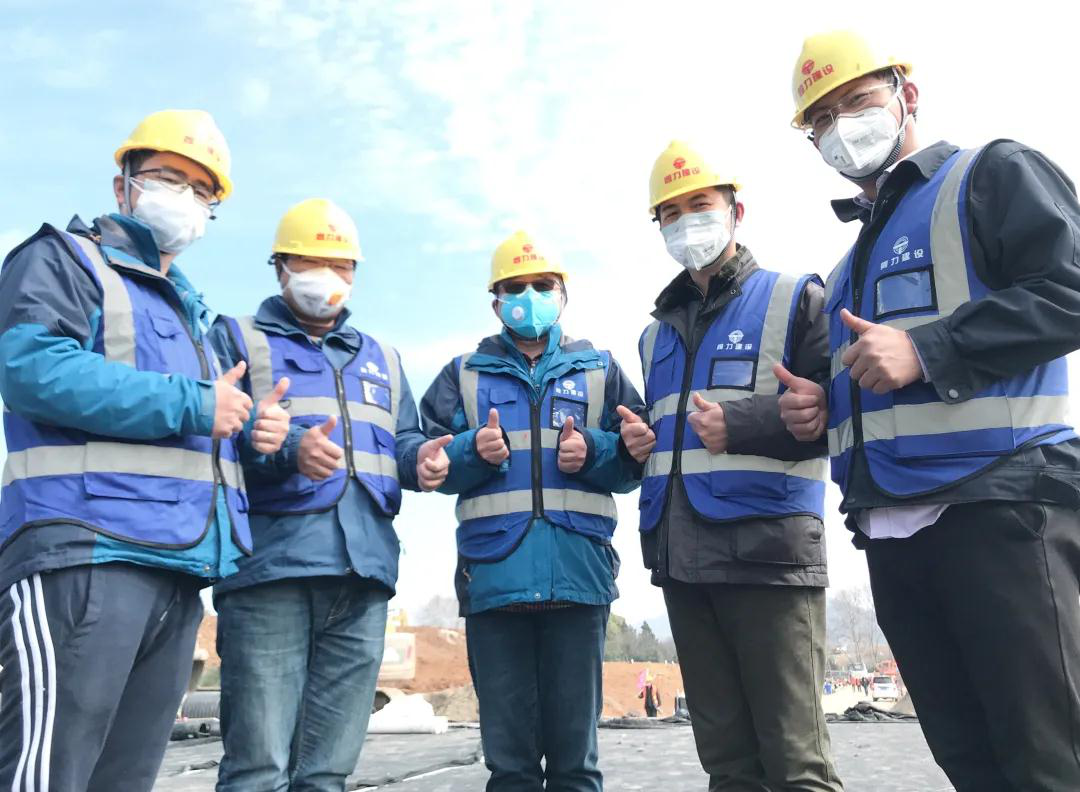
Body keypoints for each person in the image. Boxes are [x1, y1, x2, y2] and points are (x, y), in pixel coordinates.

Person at [783, 30, 1080, 790]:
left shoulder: (992, 174)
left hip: (1002, 512)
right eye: (822, 119)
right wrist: (824, 406)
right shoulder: (844, 271)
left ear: (906, 95)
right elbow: (878, 382)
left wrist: (930, 348)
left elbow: (1070, 289)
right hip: (894, 536)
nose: (842, 126)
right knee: (969, 760)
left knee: (1047, 760)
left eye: (858, 100)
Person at [0, 110, 288, 791]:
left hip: (177, 565)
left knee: (124, 779)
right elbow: (29, 368)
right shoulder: (63, 259)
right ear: (123, 185)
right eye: (166, 177)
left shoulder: (193, 315)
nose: (184, 197)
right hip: (86, 552)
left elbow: (201, 428)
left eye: (201, 189)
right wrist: (195, 404)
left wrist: (257, 435)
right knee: (49, 773)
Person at [209, 198, 446, 791]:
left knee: (328, 771)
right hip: (270, 572)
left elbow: (402, 442)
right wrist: (284, 448)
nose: (328, 277)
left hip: (363, 575)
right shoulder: (237, 338)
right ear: (280, 267)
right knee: (258, 766)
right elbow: (205, 434)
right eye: (312, 263)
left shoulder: (383, 359)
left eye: (341, 266)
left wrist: (422, 460)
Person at [626, 141, 842, 791]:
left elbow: (845, 410)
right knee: (727, 766)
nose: (686, 222)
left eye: (700, 204)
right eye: (670, 213)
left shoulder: (795, 299)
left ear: (735, 211)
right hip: (682, 562)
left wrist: (746, 423)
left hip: (769, 558)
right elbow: (668, 440)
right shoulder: (654, 336)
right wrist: (637, 441)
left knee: (797, 764)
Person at [421, 231, 644, 791]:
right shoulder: (462, 374)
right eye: (514, 287)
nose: (529, 296)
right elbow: (425, 457)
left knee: (576, 765)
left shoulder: (601, 369)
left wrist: (596, 451)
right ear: (495, 302)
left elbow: (635, 460)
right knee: (511, 768)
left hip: (579, 582)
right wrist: (472, 452)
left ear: (562, 292)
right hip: (495, 584)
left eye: (541, 285)